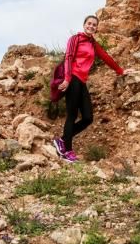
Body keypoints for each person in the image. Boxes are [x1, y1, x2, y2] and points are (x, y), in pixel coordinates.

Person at [53, 15, 131, 163]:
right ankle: (67, 151)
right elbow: (68, 57)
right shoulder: (75, 39)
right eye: (89, 23)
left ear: (96, 28)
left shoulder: (92, 43)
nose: (91, 26)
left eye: (94, 25)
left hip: (82, 81)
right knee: (72, 115)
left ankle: (62, 140)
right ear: (84, 25)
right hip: (73, 79)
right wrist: (67, 79)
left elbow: (105, 57)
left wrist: (120, 71)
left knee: (88, 118)